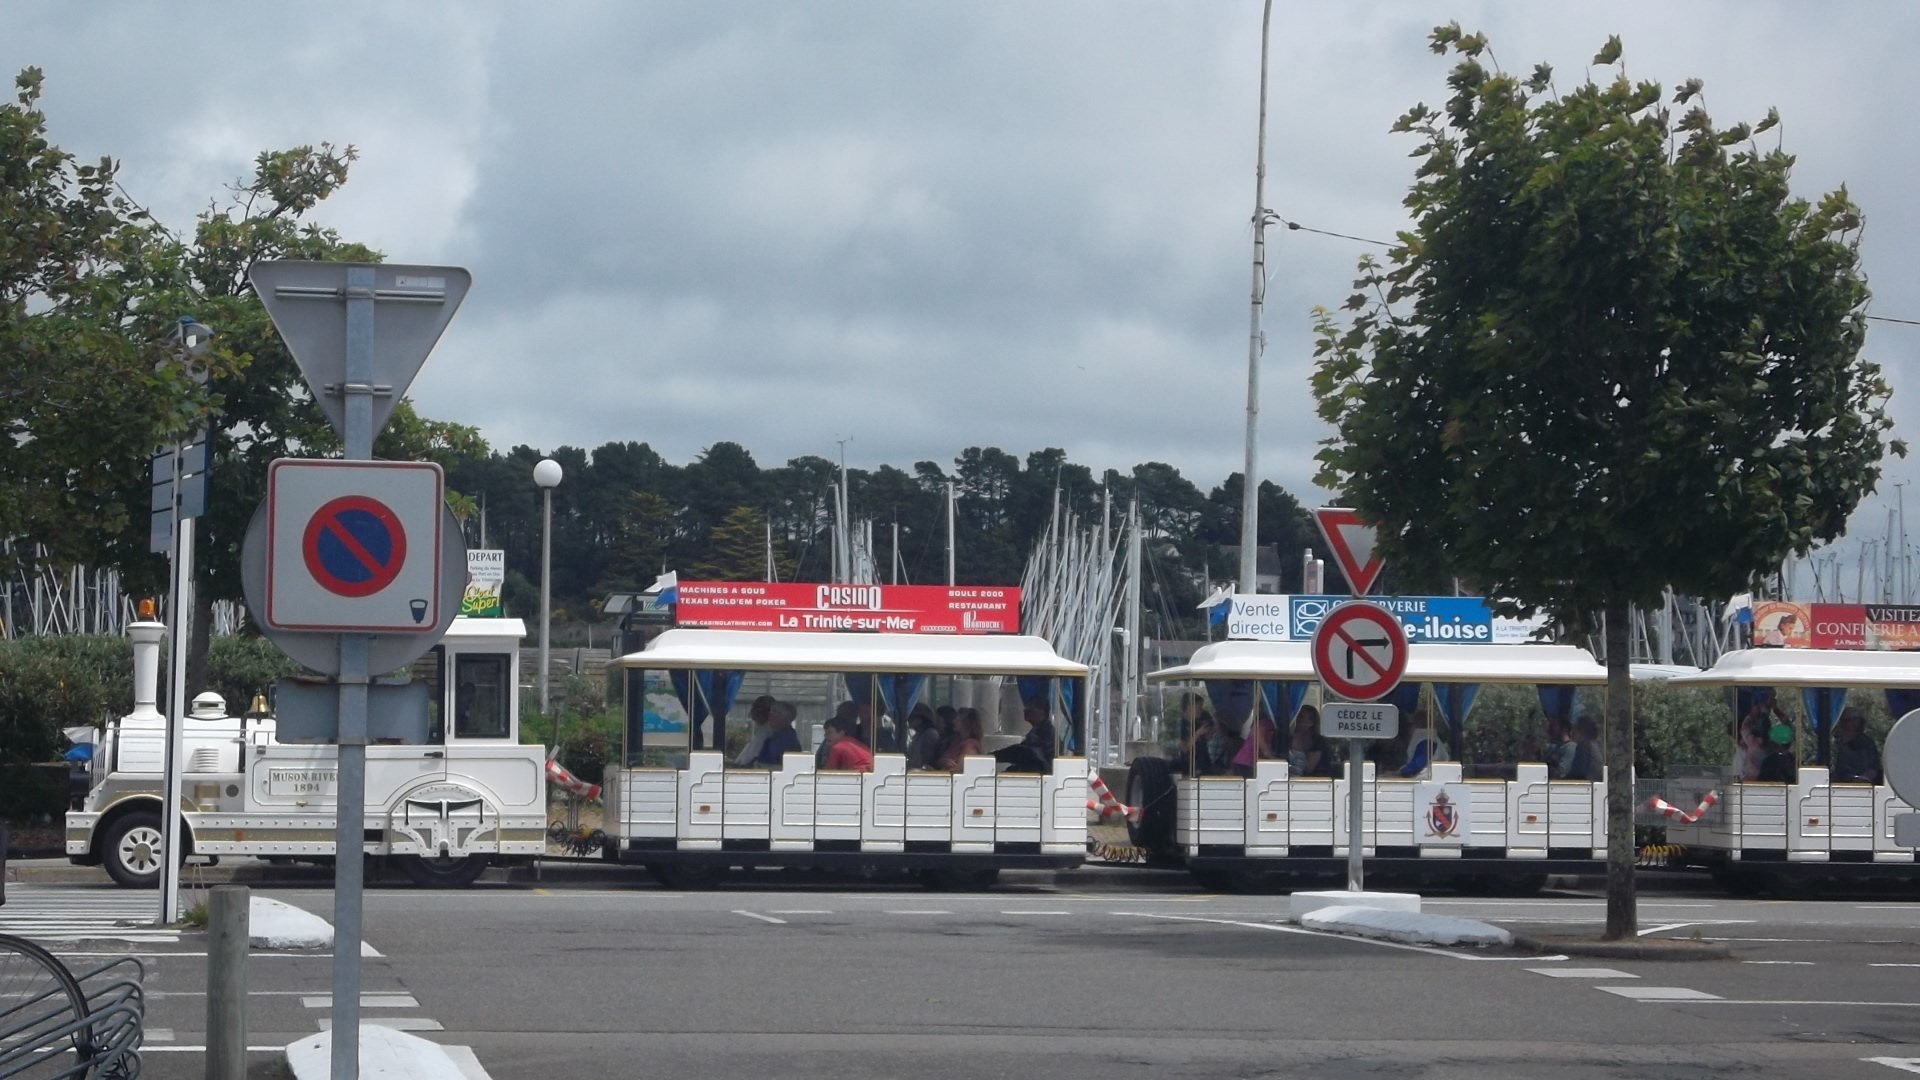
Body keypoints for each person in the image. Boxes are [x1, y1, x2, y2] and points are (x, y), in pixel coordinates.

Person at [993, 702, 1056, 774]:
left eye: (1031, 706)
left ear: (1042, 712)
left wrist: (994, 756)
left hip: (1041, 776)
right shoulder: (1036, 731)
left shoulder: (1046, 733)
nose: (1025, 710)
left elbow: (1024, 752)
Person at [1832, 707, 1882, 784]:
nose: (1853, 723)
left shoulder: (1867, 743)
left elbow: (1873, 768)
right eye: (1850, 720)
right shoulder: (1834, 740)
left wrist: (1861, 780)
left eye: (1856, 720)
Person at [1286, 706, 1335, 778]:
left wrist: (1297, 748)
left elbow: (1309, 768)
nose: (1298, 720)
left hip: (1319, 781)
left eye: (1301, 717)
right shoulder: (1290, 738)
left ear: (1311, 722)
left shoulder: (1318, 742)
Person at [1231, 710, 1279, 778]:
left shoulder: (1264, 724)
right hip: (1245, 763)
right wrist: (1275, 760)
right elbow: (1261, 743)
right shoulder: (1264, 723)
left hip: (1245, 762)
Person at [754, 701, 803, 767]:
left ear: (787, 718)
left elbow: (779, 767)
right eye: (771, 711)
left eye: (776, 711)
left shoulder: (787, 740)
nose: (770, 714)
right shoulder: (772, 737)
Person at [733, 695, 777, 768]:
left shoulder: (767, 733)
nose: (753, 718)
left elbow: (753, 759)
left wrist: (738, 766)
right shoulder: (761, 730)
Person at [903, 703, 942, 770]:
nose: (909, 720)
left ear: (921, 719)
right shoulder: (918, 735)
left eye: (912, 717)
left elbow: (928, 759)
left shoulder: (930, 735)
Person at [1569, 715, 1603, 781]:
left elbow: (1578, 773)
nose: (1572, 732)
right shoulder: (1594, 745)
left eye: (1575, 728)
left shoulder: (1584, 746)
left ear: (1582, 730)